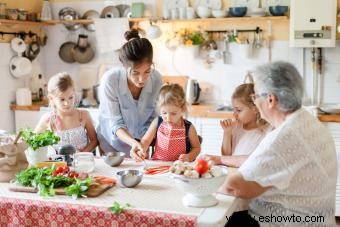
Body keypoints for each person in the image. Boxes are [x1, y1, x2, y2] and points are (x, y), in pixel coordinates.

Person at [220, 61, 337, 227]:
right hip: (317, 220)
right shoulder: (306, 119)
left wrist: (203, 181)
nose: (255, 101)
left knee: (217, 220)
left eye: (255, 96)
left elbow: (234, 187)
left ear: (270, 100)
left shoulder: (283, 137)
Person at [97, 29, 163, 156]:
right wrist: (133, 143)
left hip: (143, 142)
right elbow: (115, 122)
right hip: (112, 143)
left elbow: (154, 118)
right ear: (124, 66)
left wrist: (143, 143)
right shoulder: (111, 80)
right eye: (135, 73)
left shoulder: (157, 79)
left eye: (147, 71)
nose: (141, 79)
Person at [202, 83, 271, 168]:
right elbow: (226, 155)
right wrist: (227, 133)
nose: (234, 114)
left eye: (238, 110)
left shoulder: (267, 131)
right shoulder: (236, 127)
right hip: (233, 172)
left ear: (255, 109)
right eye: (233, 109)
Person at [130, 84, 201, 162]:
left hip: (179, 167)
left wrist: (189, 157)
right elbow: (146, 140)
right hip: (158, 164)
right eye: (164, 113)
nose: (168, 118)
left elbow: (196, 148)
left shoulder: (189, 127)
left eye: (173, 113)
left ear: (182, 109)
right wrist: (141, 150)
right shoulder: (157, 121)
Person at [35, 72, 98, 153]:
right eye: (62, 99)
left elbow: (94, 141)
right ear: (51, 98)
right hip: (59, 165)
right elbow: (33, 140)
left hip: (81, 163)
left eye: (70, 97)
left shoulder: (83, 115)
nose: (67, 103)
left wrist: (81, 155)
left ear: (74, 94)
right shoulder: (48, 118)